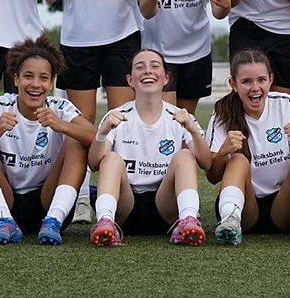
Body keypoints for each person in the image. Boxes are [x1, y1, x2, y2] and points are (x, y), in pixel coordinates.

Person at [49, 0, 142, 221]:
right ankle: (83, 201)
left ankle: (119, 197)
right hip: (78, 39)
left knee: (121, 120)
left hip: (121, 35)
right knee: (83, 124)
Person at [0, 34, 96, 245]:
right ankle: (2, 219)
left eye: (44, 78)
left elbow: (98, 140)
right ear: (15, 79)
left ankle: (54, 219)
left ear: (52, 82)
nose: (35, 84)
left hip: (48, 200)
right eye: (28, 76)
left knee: (76, 140)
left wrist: (62, 126)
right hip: (7, 200)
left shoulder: (60, 108)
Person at [207, 50, 290, 246]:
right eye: (246, 81)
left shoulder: (283, 104)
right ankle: (230, 219)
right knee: (239, 160)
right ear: (233, 84)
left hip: (282, 206)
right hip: (245, 207)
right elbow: (212, 177)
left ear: (271, 79)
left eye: (261, 80)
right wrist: (224, 152)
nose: (255, 88)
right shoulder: (222, 112)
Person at [87, 49, 211, 247]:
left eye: (154, 66)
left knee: (185, 155)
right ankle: (105, 221)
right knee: (110, 159)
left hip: (165, 206)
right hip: (126, 206)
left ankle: (188, 220)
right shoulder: (117, 115)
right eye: (139, 67)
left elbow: (206, 163)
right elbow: (94, 163)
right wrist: (102, 133)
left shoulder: (181, 116)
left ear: (165, 78)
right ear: (130, 80)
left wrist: (194, 131)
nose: (147, 71)